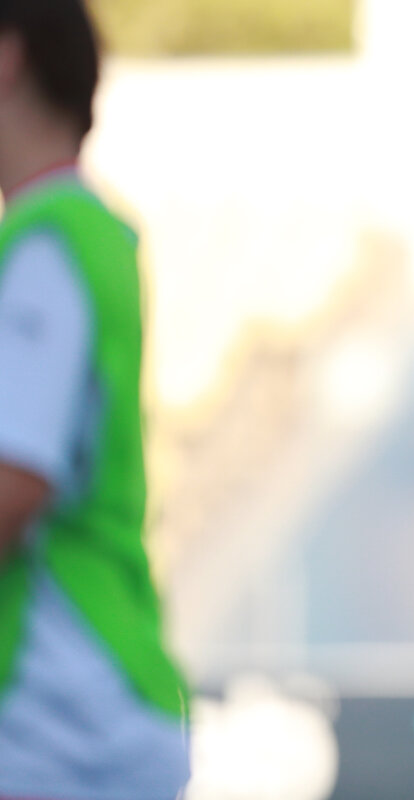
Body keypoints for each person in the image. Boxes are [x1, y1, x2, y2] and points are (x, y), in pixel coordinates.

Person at [0, 0, 190, 796]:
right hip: (89, 703)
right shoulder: (84, 232)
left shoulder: (47, 242)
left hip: (59, 714)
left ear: (8, 57)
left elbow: (16, 482)